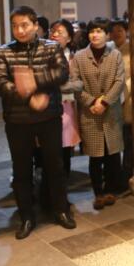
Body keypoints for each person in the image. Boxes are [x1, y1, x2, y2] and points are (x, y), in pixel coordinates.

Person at [0, 6, 75, 239]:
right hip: (18, 120)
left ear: (35, 25)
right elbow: (0, 82)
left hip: (49, 116)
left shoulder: (51, 47)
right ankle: (27, 216)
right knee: (21, 170)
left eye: (24, 25)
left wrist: (32, 82)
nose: (19, 30)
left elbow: (61, 73)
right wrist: (27, 95)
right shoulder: (3, 52)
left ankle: (61, 210)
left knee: (55, 166)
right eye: (15, 26)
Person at [72, 17, 125, 210]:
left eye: (99, 31)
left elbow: (119, 82)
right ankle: (98, 193)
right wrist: (92, 102)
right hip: (90, 113)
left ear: (107, 35)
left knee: (112, 155)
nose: (95, 35)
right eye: (92, 31)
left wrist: (104, 102)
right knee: (95, 157)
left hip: (110, 112)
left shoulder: (115, 55)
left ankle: (111, 190)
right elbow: (76, 85)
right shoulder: (79, 57)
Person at [49, 19, 82, 177]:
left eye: (59, 32)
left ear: (69, 38)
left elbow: (79, 83)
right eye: (52, 31)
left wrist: (58, 86)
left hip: (67, 105)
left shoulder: (74, 58)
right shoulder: (42, 54)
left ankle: (64, 178)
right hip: (47, 106)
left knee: (65, 146)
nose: (54, 35)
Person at [109, 18, 134, 184]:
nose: (116, 33)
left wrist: (121, 92)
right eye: (113, 31)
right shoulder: (108, 50)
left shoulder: (132, 49)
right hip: (110, 101)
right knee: (114, 140)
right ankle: (115, 175)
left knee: (128, 138)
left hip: (128, 99)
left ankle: (127, 173)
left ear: (126, 31)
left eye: (120, 30)